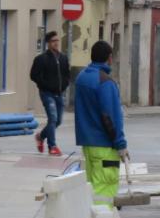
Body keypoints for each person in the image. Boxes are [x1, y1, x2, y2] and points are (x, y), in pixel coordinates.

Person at [74, 41, 128, 207]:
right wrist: (120, 144)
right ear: (109, 58)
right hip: (104, 146)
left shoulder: (82, 77)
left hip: (88, 145)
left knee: (91, 187)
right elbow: (110, 117)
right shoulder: (105, 82)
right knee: (104, 189)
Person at [30, 31, 71, 156]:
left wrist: (64, 85)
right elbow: (34, 75)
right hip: (47, 93)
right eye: (53, 41)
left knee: (58, 121)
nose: (56, 43)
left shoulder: (63, 58)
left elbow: (67, 75)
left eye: (57, 40)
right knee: (52, 118)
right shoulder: (41, 59)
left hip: (59, 93)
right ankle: (52, 146)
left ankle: (40, 137)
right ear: (48, 43)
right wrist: (45, 85)